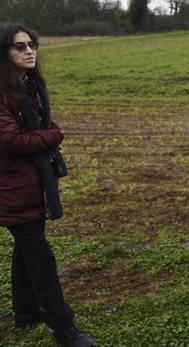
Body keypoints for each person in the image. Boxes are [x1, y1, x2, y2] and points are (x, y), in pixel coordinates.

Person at [0, 23, 95, 347]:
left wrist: (48, 131)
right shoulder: (2, 93)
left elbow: (39, 123)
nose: (29, 51)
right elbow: (10, 140)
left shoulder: (28, 87)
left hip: (28, 184)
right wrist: (54, 135)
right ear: (5, 53)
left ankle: (26, 311)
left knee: (27, 248)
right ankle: (62, 326)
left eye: (32, 45)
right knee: (40, 257)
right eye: (20, 47)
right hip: (12, 189)